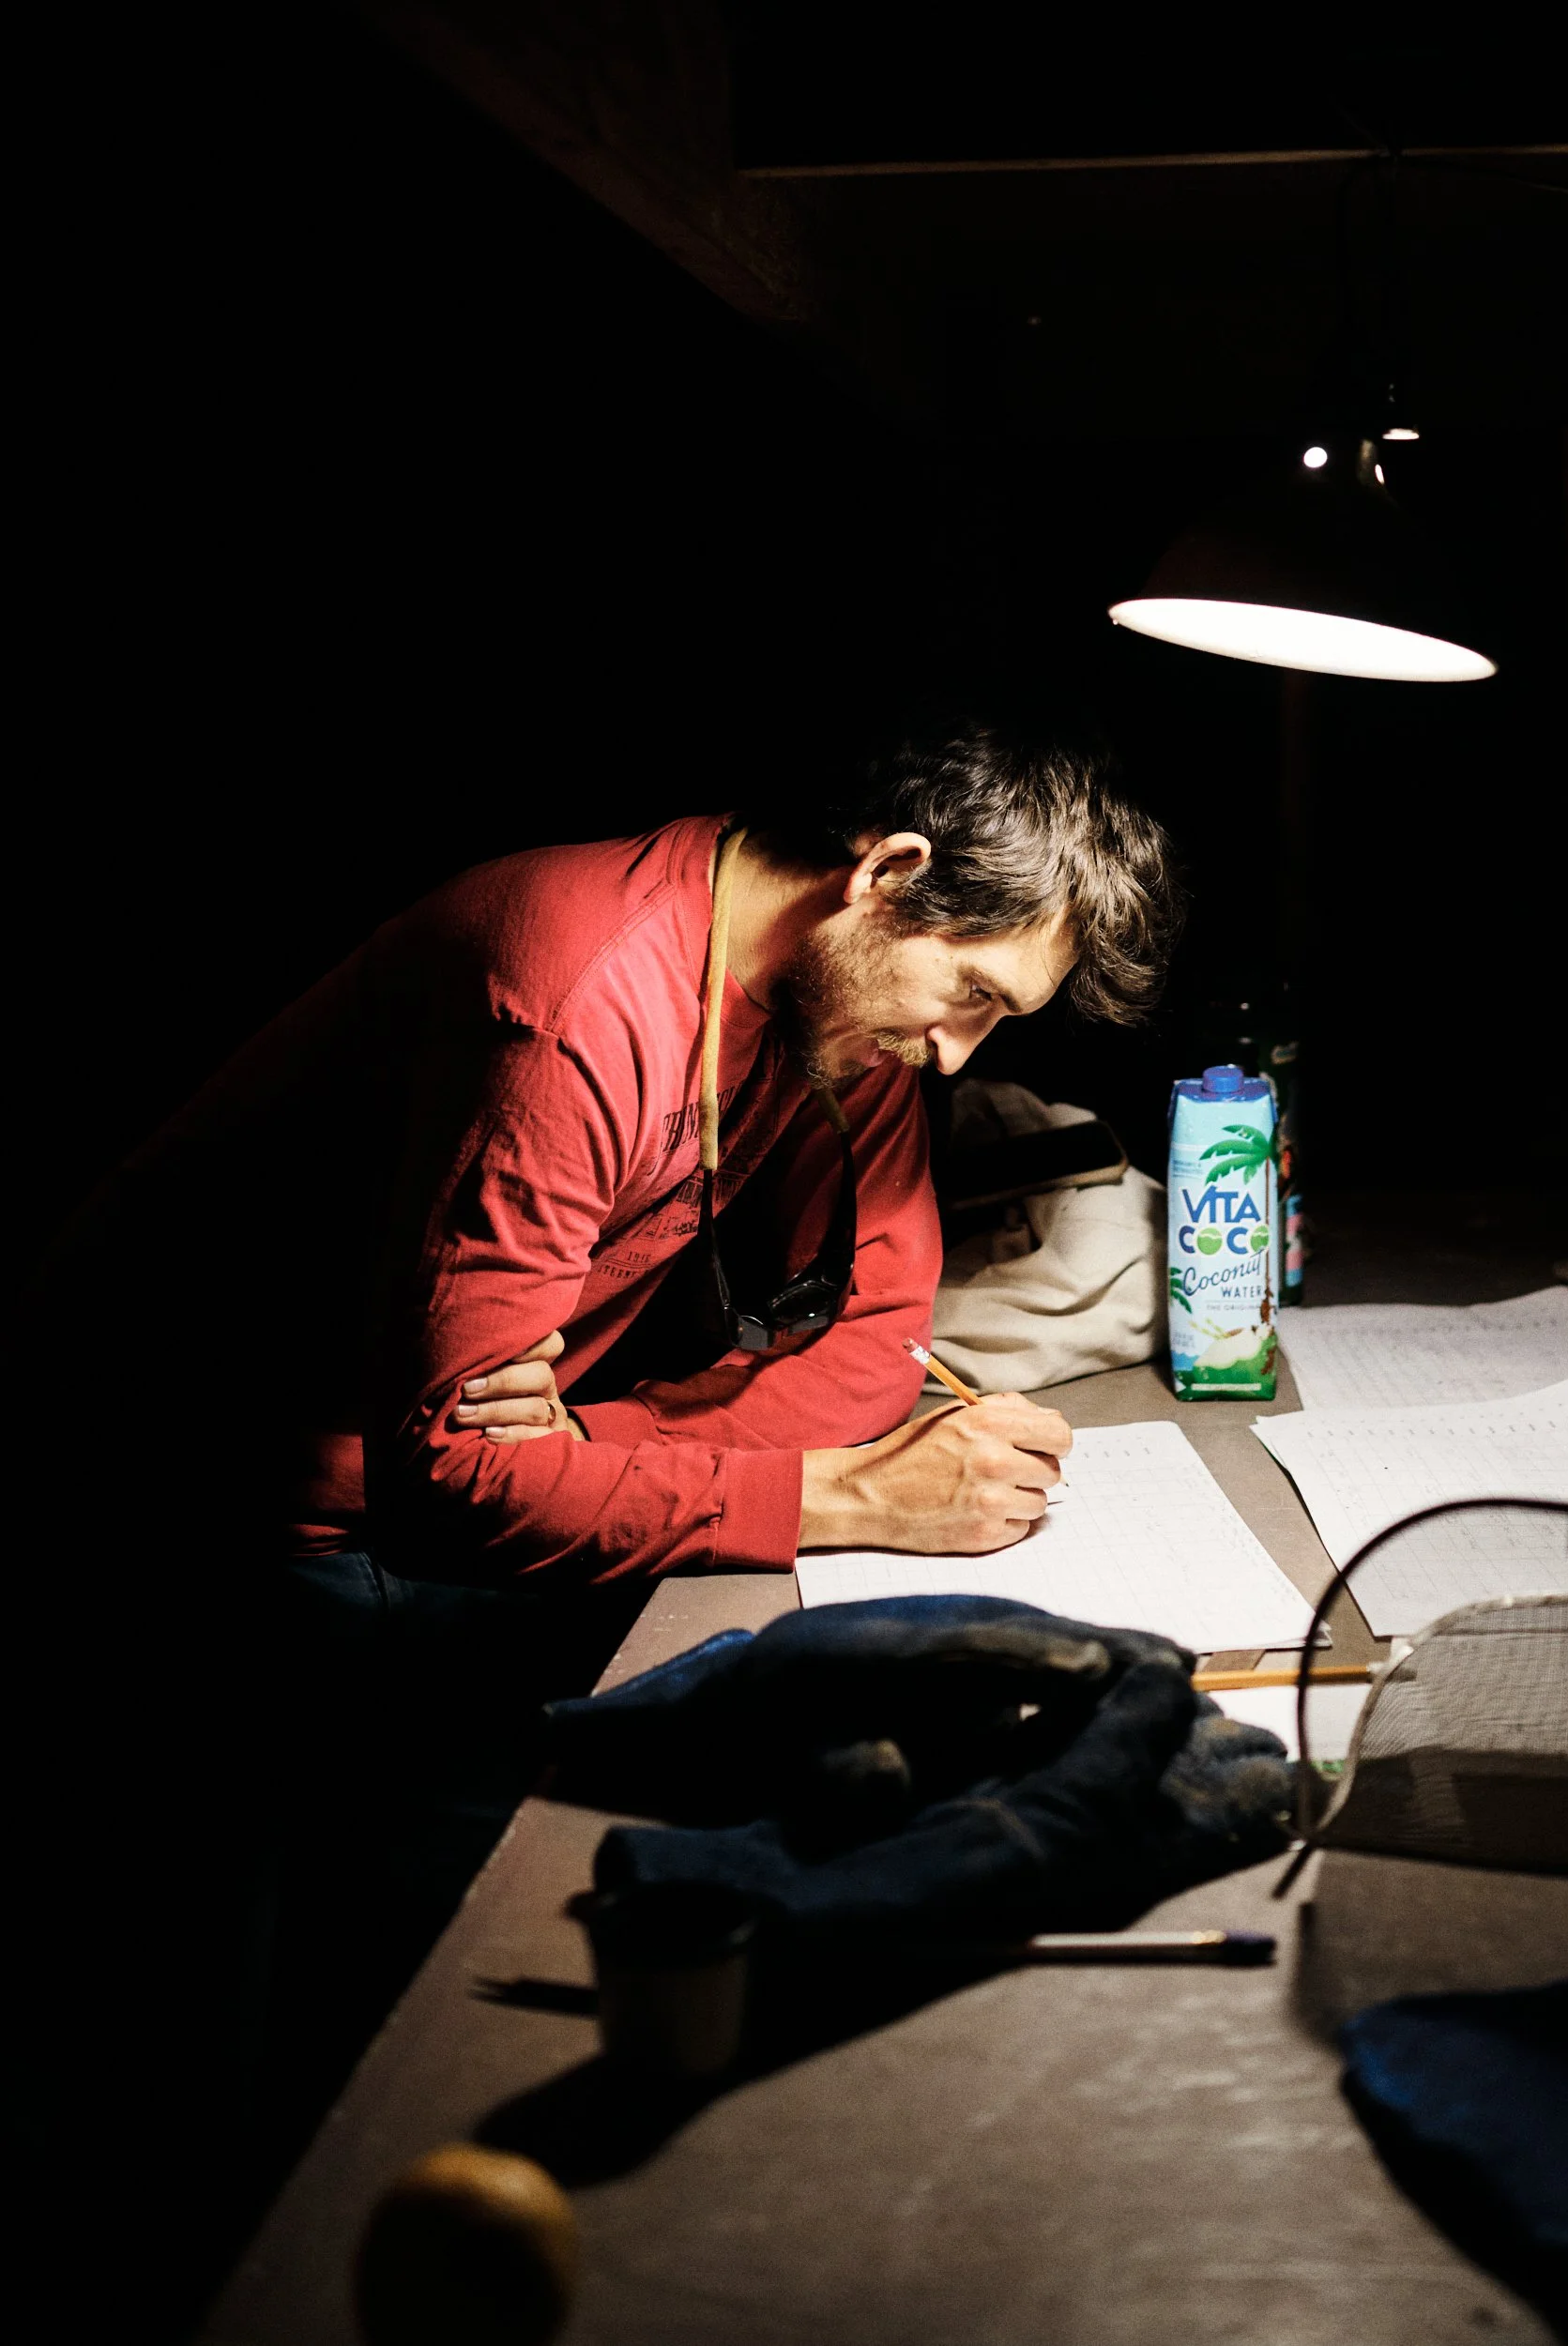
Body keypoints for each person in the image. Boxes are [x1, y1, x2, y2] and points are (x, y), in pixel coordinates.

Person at [31, 714, 1181, 2326]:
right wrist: (820, 1496)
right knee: (223, 2121)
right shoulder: (575, 987)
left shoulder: (835, 994)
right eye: (975, 994)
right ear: (889, 877)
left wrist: (615, 1442)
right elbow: (463, 1478)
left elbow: (872, 1336)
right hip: (189, 1516)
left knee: (456, 1995)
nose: (961, 1056)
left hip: (417, 1508)